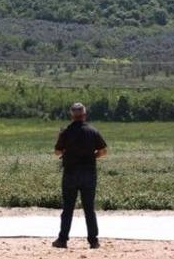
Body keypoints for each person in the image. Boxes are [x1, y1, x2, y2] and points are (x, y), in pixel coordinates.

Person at [52, 103, 108, 249]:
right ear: (84, 114)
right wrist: (92, 156)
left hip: (70, 174)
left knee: (68, 208)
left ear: (72, 115)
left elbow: (57, 152)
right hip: (89, 174)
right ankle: (93, 240)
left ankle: (62, 239)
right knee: (89, 209)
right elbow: (103, 151)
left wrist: (66, 152)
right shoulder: (92, 131)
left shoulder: (66, 132)